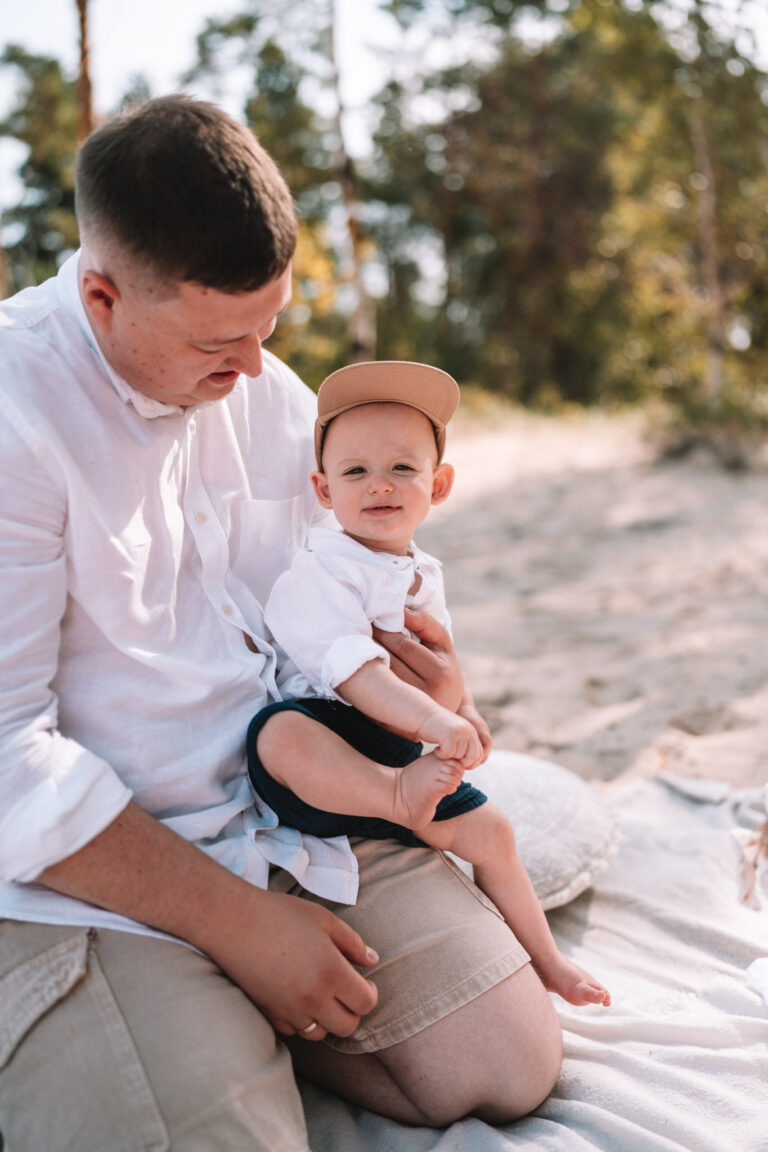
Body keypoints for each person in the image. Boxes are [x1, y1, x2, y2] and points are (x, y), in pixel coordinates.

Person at [0, 96, 563, 1151]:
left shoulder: (261, 383)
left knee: (505, 1067)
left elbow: (334, 608)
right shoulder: (13, 413)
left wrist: (432, 691)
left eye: (272, 327)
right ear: (103, 297)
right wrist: (241, 927)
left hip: (287, 802)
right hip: (88, 865)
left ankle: (230, 1021)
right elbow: (5, 761)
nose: (256, 370)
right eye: (220, 342)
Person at [248, 361, 611, 1009]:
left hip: (401, 750)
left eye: (402, 467)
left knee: (494, 833)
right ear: (323, 489)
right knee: (277, 736)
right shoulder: (319, 574)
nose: (380, 484)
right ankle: (394, 797)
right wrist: (438, 721)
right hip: (330, 752)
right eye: (355, 471)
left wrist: (465, 709)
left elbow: (440, 657)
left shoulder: (423, 573)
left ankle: (548, 960)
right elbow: (357, 675)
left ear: (438, 484)